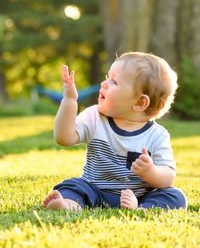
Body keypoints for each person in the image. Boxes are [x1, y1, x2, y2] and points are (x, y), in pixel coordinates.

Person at [43, 52, 187, 211]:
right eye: (107, 77)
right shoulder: (95, 117)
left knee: (175, 196)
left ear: (139, 102)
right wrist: (69, 101)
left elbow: (167, 177)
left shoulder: (157, 136)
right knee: (73, 186)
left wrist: (151, 171)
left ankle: (142, 209)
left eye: (114, 82)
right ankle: (69, 205)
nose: (104, 83)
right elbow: (64, 138)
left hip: (138, 196)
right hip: (94, 190)